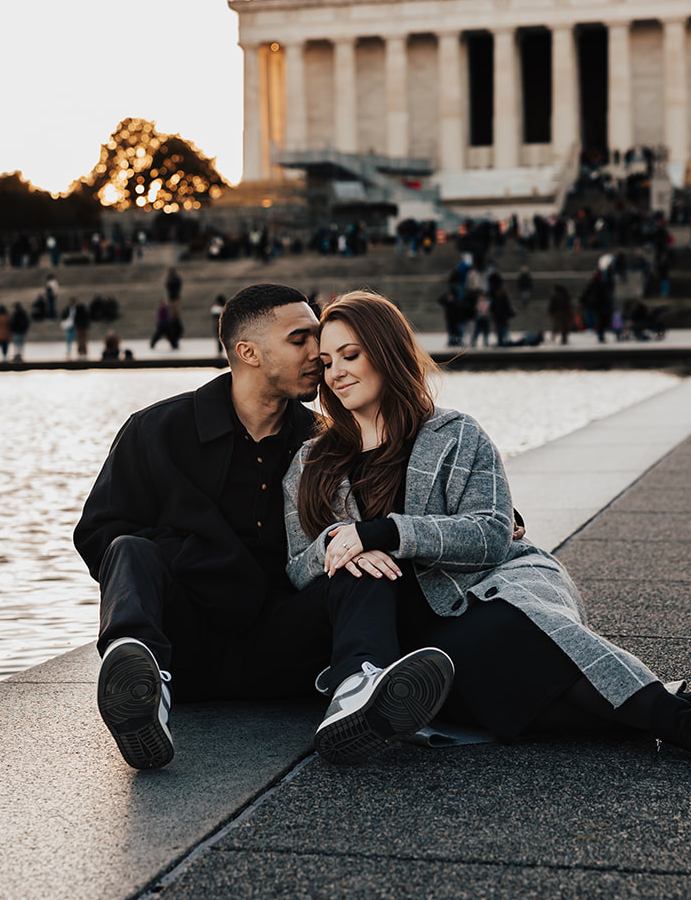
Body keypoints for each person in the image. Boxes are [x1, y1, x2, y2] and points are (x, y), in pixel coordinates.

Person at [285, 291, 691, 772]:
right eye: (327, 364)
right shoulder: (313, 458)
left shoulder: (455, 434)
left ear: (387, 352)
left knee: (508, 638)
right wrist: (337, 545)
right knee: (483, 686)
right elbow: (296, 561)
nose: (337, 373)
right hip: (394, 637)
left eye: (350, 355)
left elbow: (490, 534)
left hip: (471, 596)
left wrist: (386, 533)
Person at [75, 283, 453, 770]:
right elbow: (97, 535)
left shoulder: (325, 442)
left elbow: (393, 491)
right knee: (128, 548)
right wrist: (198, 556)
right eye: (301, 340)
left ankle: (358, 696)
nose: (320, 353)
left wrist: (490, 513)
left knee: (364, 563)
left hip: (287, 649)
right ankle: (139, 688)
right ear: (247, 352)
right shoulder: (157, 430)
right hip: (180, 653)